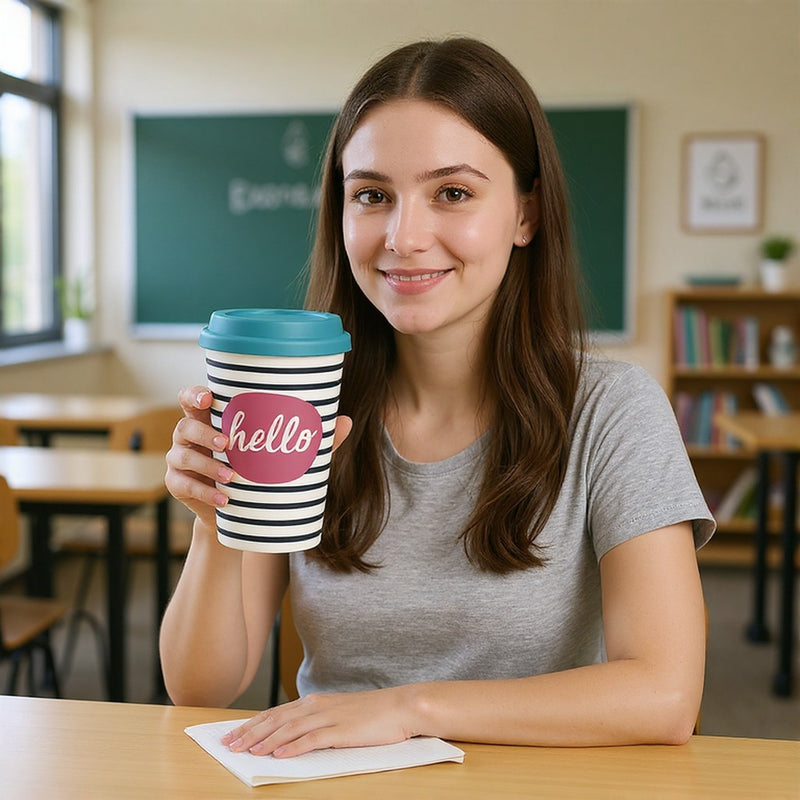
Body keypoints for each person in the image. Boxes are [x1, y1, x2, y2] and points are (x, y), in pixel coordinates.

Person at [160, 37, 714, 757]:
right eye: (372, 195)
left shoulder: (611, 410)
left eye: (452, 193)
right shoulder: (303, 408)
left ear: (525, 216)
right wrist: (215, 524)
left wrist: (409, 709)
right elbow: (201, 688)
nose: (405, 235)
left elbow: (666, 696)